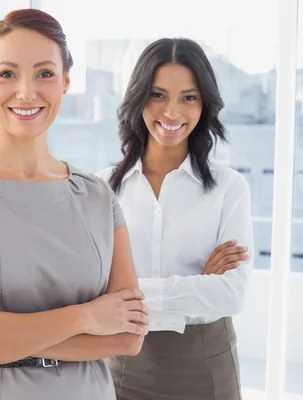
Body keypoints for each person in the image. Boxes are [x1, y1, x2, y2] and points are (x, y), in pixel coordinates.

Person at [0, 8, 149, 400]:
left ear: (66, 81)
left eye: (45, 73)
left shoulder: (98, 196)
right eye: (7, 74)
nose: (26, 91)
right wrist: (86, 317)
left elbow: (128, 335)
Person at [96, 38, 253, 399]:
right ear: (138, 98)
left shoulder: (229, 188)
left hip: (206, 364)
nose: (172, 112)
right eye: (158, 95)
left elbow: (231, 294)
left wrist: (125, 293)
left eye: (188, 97)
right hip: (120, 362)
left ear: (205, 103)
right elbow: (86, 288)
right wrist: (196, 285)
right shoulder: (101, 189)